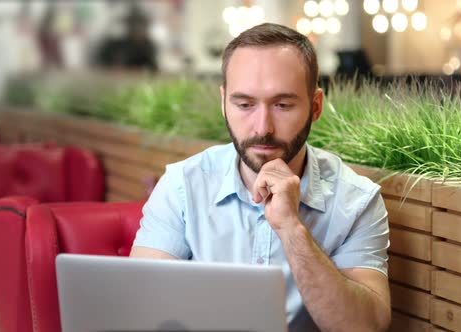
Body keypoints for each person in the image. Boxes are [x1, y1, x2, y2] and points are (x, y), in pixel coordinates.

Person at [130, 23, 391, 332]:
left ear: (316, 106)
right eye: (244, 104)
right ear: (223, 103)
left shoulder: (357, 201)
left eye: (283, 105)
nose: (262, 126)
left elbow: (366, 327)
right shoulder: (181, 186)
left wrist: (292, 229)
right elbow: (141, 308)